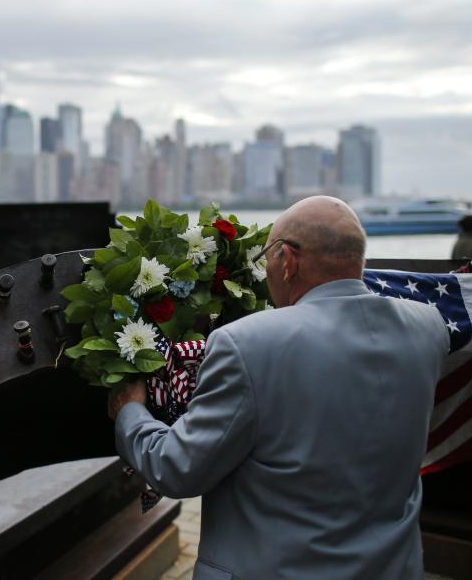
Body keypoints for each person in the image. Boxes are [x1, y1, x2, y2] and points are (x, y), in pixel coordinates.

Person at [109, 196, 450, 579]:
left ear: (287, 260)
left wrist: (130, 412)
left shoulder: (244, 344)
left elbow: (178, 469)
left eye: (268, 257)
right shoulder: (428, 326)